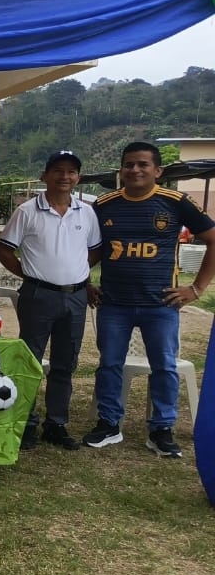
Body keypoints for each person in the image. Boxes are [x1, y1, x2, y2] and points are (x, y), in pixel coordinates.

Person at [82, 142, 215, 456]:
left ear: (158, 170)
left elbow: (212, 239)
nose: (135, 170)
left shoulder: (176, 202)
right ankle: (109, 424)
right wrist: (85, 282)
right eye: (129, 164)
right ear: (121, 170)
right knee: (109, 365)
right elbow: (88, 249)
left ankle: (161, 430)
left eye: (143, 164)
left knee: (164, 367)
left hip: (161, 305)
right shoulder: (104, 205)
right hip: (114, 304)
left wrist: (196, 289)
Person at [0, 151, 100, 450]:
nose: (64, 176)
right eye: (57, 170)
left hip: (75, 297)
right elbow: (4, 251)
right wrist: (29, 273)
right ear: (45, 175)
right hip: (38, 295)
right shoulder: (27, 211)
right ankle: (25, 423)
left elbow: (95, 249)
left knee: (66, 362)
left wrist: (80, 274)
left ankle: (56, 424)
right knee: (30, 359)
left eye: (71, 171)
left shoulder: (86, 212)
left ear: (78, 177)